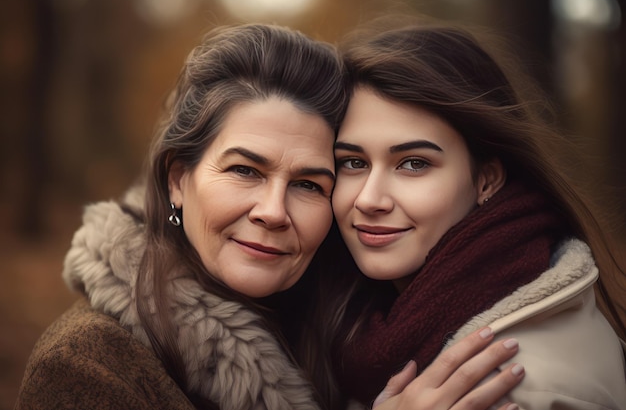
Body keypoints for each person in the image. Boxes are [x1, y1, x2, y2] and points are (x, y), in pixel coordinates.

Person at [14, 23, 525, 410]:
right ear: (178, 180)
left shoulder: (341, 332)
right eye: (245, 170)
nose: (274, 212)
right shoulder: (86, 365)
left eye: (307, 184)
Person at [325, 17, 626, 409]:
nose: (369, 199)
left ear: (486, 179)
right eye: (352, 162)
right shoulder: (359, 317)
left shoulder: (515, 389)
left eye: (413, 164)